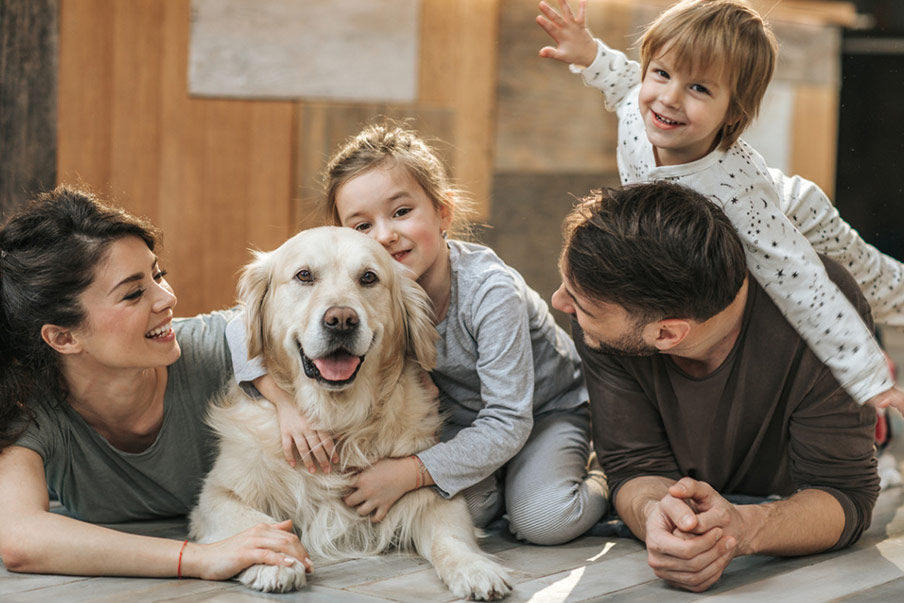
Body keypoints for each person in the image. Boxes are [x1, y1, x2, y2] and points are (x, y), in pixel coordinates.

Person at [228, 123, 608, 545]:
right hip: (459, 423)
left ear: (443, 212)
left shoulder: (491, 292)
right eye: (362, 226)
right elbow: (237, 324)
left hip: (539, 415)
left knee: (544, 519)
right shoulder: (371, 292)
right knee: (468, 510)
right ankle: (508, 480)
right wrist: (285, 405)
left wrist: (410, 473)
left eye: (401, 212)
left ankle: (604, 476)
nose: (385, 235)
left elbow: (508, 421)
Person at [537, 0, 904, 412]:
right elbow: (623, 82)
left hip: (798, 218)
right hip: (750, 218)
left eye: (699, 88)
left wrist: (869, 378)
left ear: (733, 112)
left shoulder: (735, 195)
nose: (668, 98)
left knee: (879, 287)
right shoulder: (641, 114)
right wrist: (587, 52)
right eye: (661, 73)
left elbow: (805, 285)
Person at [551, 181, 880, 592]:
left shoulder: (825, 308)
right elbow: (635, 467)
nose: (558, 301)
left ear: (667, 334)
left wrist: (743, 528)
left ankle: (874, 423)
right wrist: (657, 516)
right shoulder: (601, 318)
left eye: (580, 305)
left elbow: (845, 494)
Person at [0, 187, 312, 579]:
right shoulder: (30, 408)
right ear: (63, 338)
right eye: (133, 293)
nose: (167, 299)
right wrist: (200, 559)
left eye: (158, 274)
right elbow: (20, 537)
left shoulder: (229, 352)